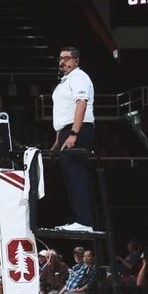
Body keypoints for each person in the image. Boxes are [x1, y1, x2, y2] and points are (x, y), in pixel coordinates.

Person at [50, 46, 97, 231]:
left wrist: (74, 134)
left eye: (67, 58)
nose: (62, 62)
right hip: (65, 131)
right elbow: (62, 112)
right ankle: (79, 218)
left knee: (76, 173)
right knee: (69, 175)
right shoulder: (64, 81)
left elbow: (81, 104)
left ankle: (85, 221)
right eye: (60, 58)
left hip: (77, 129)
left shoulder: (79, 77)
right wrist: (58, 139)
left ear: (76, 60)